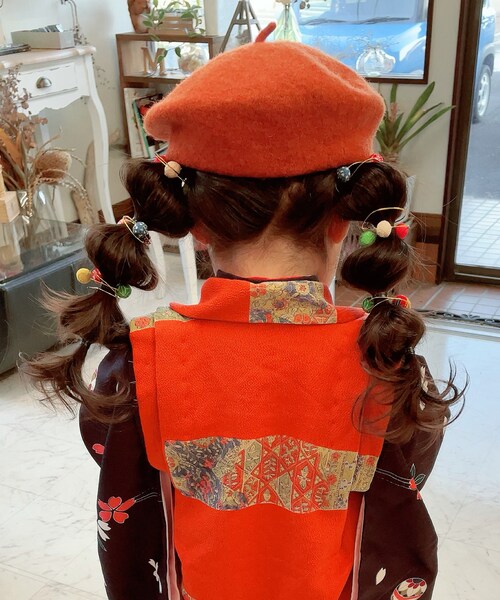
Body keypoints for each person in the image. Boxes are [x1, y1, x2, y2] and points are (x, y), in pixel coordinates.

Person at [24, 24, 463, 600]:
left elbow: (120, 477)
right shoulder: (383, 361)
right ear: (344, 221)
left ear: (198, 226)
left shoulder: (142, 361)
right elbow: (408, 475)